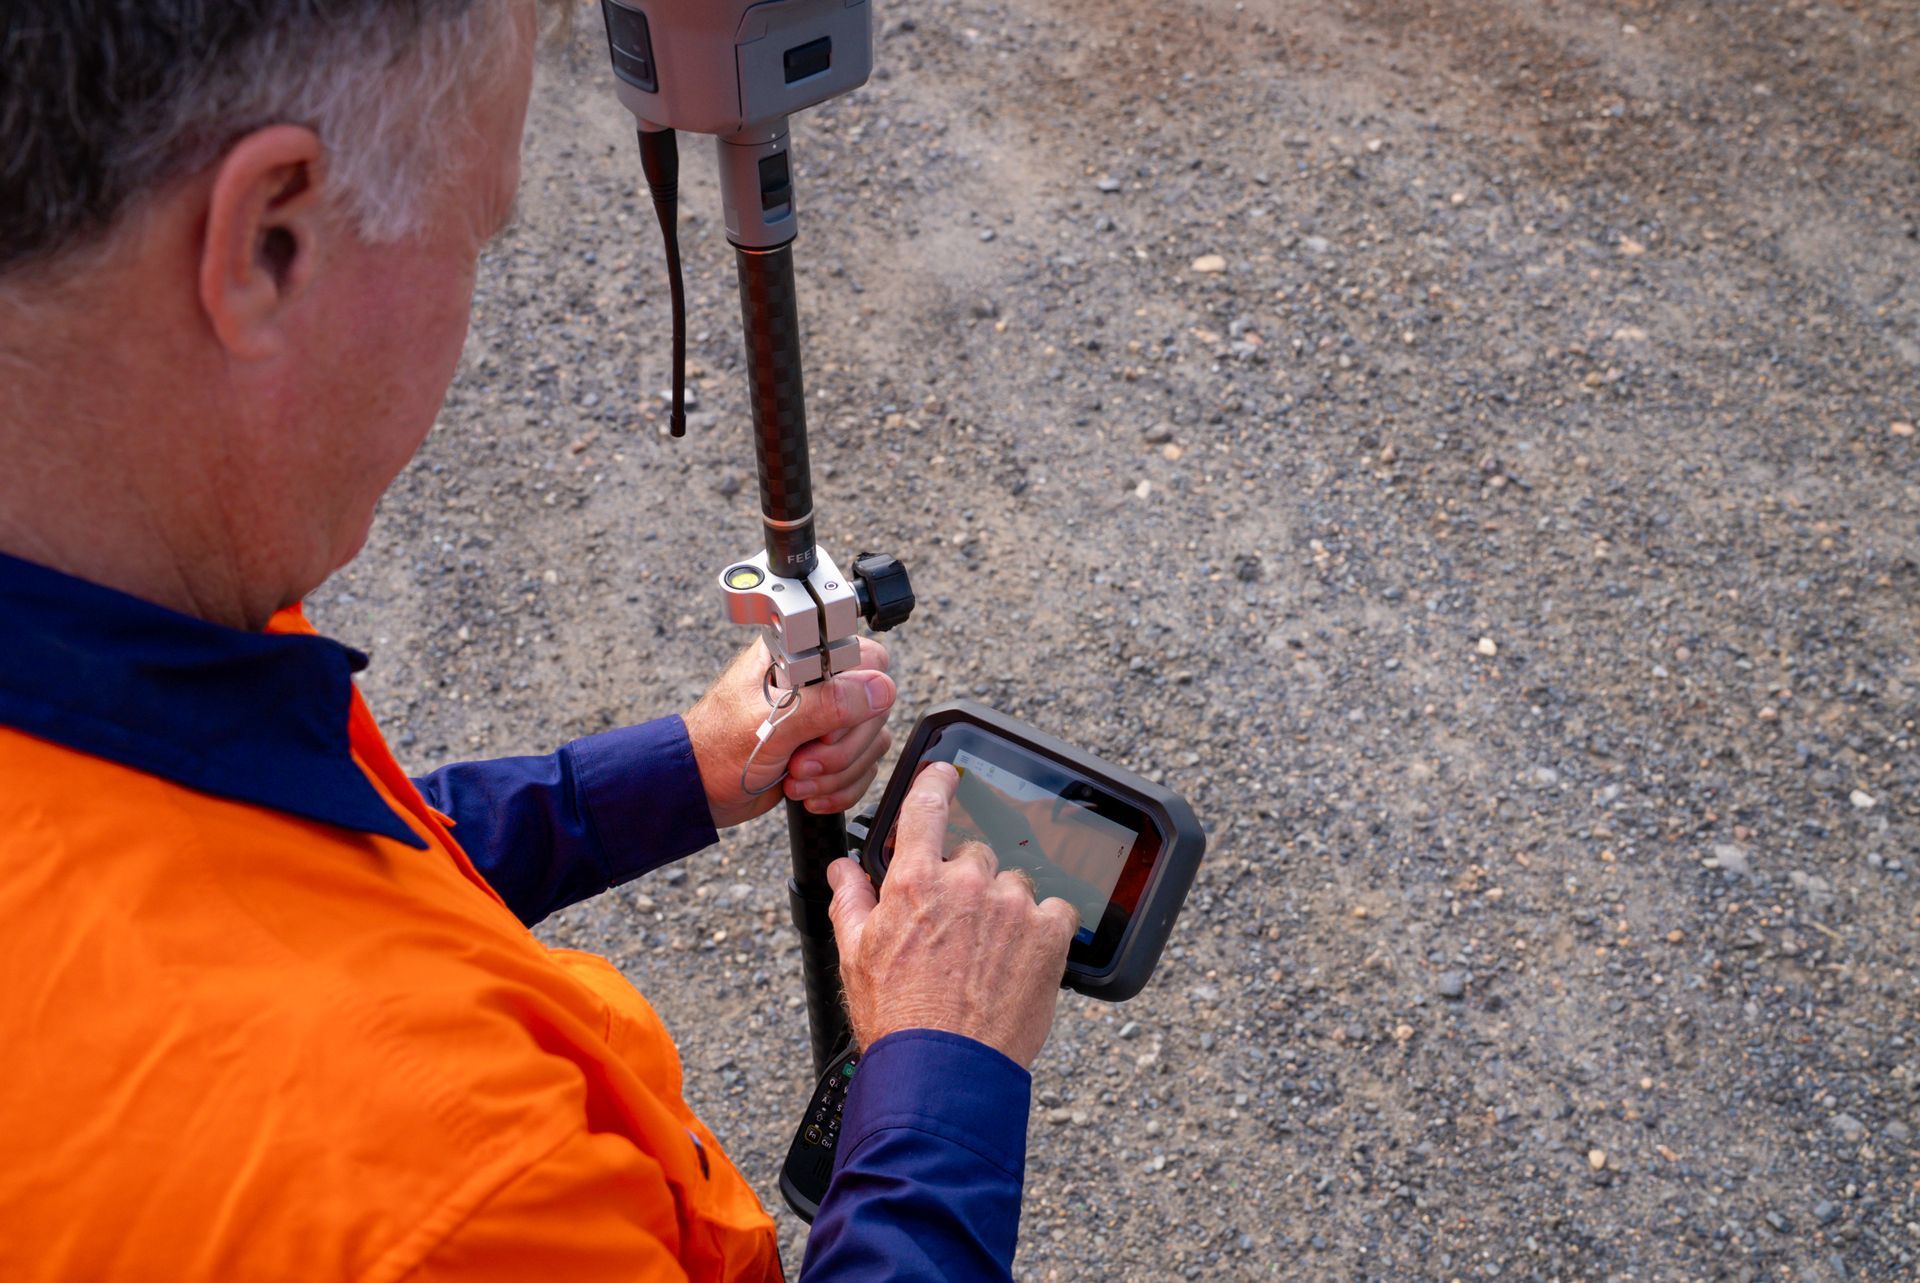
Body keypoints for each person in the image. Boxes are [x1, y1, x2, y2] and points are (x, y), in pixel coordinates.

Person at [0, 2, 1079, 1279]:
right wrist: (941, 1081)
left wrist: (677, 765)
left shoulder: (109, 640)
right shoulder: (448, 1192)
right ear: (268, 239)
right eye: (478, 234)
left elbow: (289, 881)